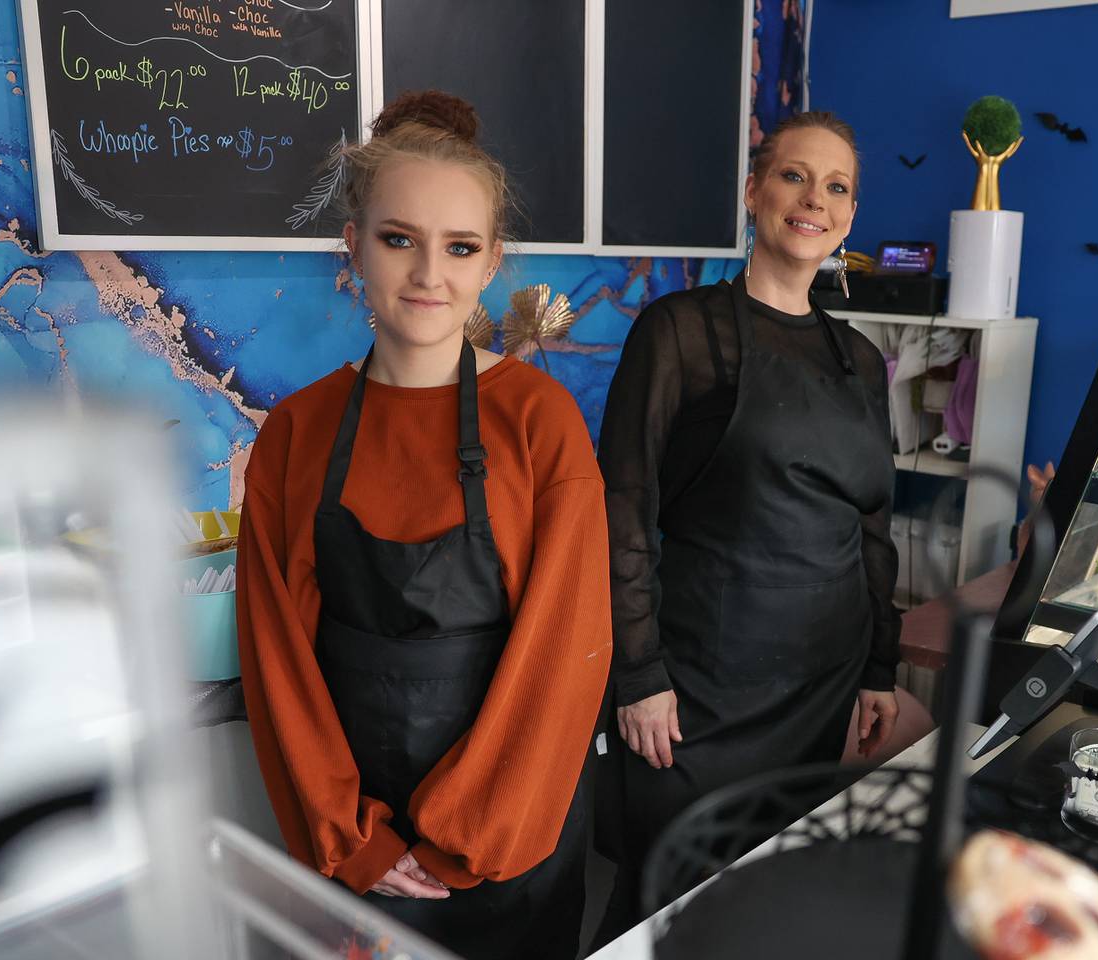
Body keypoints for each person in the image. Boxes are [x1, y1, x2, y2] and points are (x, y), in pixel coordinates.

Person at [236, 90, 610, 960]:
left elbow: (567, 650)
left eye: (461, 247)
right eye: (398, 238)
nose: (428, 274)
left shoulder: (540, 423)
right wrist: (353, 837)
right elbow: (276, 655)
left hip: (506, 839)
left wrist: (464, 835)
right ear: (352, 246)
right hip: (353, 840)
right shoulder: (297, 431)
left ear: (492, 263)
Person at [594, 110, 901, 931]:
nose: (815, 200)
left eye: (838, 187)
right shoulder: (680, 331)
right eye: (796, 175)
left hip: (822, 680)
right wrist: (638, 673)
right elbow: (621, 504)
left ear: (851, 216)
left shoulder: (860, 358)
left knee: (767, 910)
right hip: (700, 689)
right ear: (754, 189)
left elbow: (873, 523)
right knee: (663, 910)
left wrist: (879, 666)